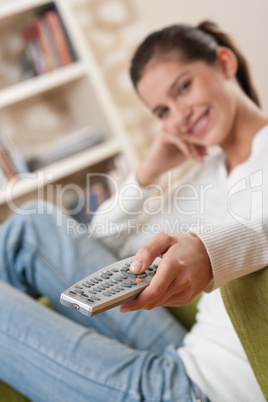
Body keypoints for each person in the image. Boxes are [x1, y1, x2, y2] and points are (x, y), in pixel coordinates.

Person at [0, 20, 267, 402]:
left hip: (194, 390)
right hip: (183, 353)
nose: (180, 116)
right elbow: (105, 249)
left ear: (225, 63)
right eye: (163, 110)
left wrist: (208, 249)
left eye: (184, 87)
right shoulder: (207, 175)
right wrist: (147, 173)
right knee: (32, 223)